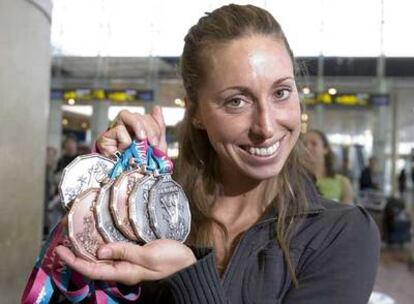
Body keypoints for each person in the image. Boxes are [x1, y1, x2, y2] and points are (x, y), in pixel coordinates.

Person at [55, 4, 379, 303]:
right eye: (237, 101)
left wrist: (189, 278)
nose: (266, 126)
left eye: (281, 92)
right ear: (195, 111)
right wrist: (106, 194)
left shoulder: (341, 235)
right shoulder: (145, 213)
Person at [303, 129, 354, 205]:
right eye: (304, 144)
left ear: (325, 149)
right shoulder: (295, 182)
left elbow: (348, 214)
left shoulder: (343, 183)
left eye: (314, 144)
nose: (307, 148)